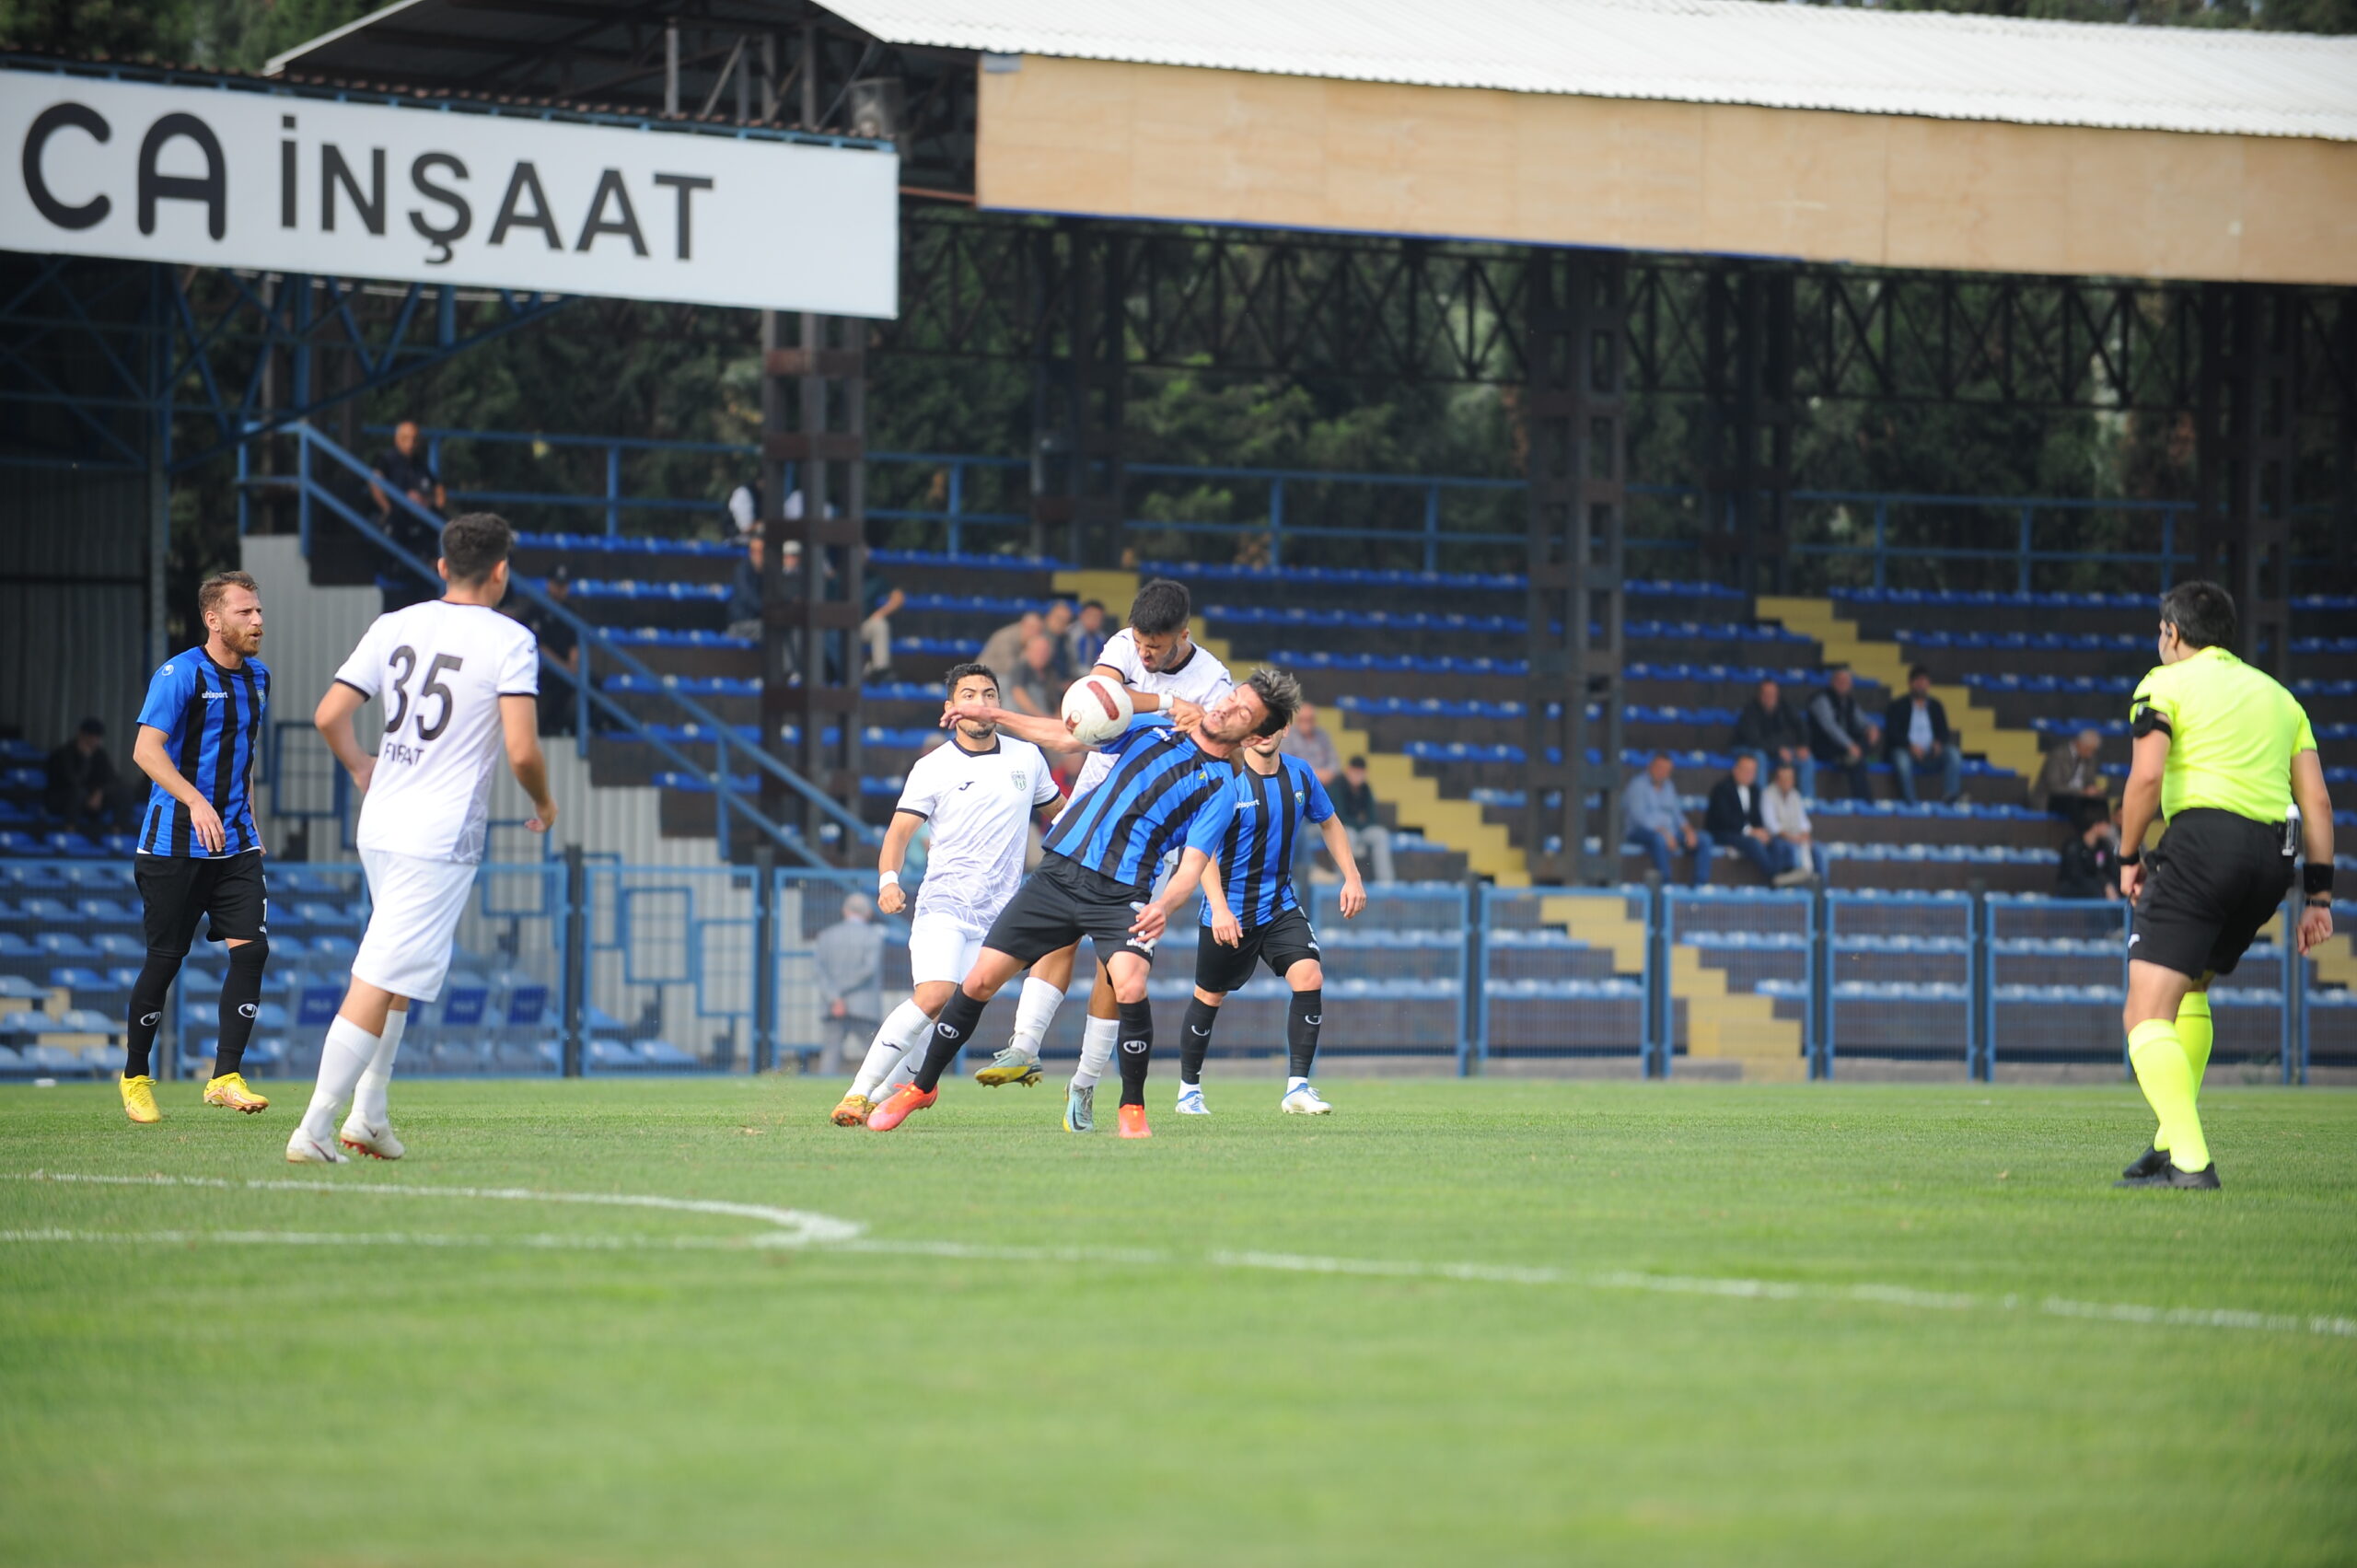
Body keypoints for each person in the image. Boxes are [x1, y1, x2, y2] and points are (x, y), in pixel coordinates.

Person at [863, 666, 1303, 1139]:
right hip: (1060, 874)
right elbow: (1065, 736)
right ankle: (921, 1087)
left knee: (1130, 984)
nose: (1226, 706)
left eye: (1242, 711)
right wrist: (991, 712)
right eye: (1232, 696)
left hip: (1123, 895)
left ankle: (1131, 1107)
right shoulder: (1156, 726)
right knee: (979, 981)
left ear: (1256, 733)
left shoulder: (1222, 788)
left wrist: (1165, 906)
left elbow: (1193, 865)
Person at [291, 513, 558, 1164]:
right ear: (501, 570)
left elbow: (330, 713)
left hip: (382, 822)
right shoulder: (511, 639)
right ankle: (315, 1127)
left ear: (442, 566)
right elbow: (521, 748)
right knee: (380, 972)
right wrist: (545, 802)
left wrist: (359, 762)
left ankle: (369, 1111)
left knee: (398, 969)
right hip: (437, 835)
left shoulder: (395, 624)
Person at [2113, 580, 2334, 1191]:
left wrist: (2128, 855)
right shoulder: (2280, 697)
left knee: (2143, 1012)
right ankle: (2165, 1142)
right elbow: (2315, 800)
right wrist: (2318, 895)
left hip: (2204, 844)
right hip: (2272, 857)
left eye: (2162, 633)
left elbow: (2145, 778)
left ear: (2173, 634)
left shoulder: (2163, 685)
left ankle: (2189, 1158)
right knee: (2192, 988)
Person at [978, 578, 1235, 1097]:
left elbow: (1219, 749)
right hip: (1092, 808)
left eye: (1155, 648)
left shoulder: (1215, 681)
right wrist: (1166, 701)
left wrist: (1195, 715)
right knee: (1060, 929)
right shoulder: (1122, 644)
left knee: (1115, 969)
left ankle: (1086, 1081)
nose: (1144, 653)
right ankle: (1024, 1046)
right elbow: (1095, 697)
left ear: (1182, 636)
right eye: (1139, 644)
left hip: (1152, 833)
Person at [830, 662, 1066, 1127]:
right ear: (951, 708)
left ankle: (899, 1093)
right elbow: (898, 834)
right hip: (945, 903)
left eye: (989, 694)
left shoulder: (1027, 758)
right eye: (969, 694)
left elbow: (1059, 813)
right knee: (935, 994)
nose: (980, 703)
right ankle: (858, 1094)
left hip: (1000, 915)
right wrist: (889, 881)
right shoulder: (932, 766)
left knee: (947, 1011)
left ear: (1000, 704)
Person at [115, 572, 273, 1126]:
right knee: (165, 961)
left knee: (251, 950)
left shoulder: (259, 678)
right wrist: (196, 802)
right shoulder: (179, 673)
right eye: (245, 612)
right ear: (214, 619)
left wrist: (244, 809)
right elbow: (145, 750)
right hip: (172, 845)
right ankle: (135, 1077)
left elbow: (240, 751)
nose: (257, 620)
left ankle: (225, 1076)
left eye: (258, 611)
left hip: (234, 843)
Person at [1181, 717, 1368, 1120]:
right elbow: (1202, 850)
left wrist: (1351, 876)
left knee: (1310, 976)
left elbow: (1330, 822)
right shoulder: (1226, 779)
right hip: (1228, 909)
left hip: (1280, 904)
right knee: (1209, 996)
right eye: (1256, 725)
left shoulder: (1301, 774)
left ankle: (1297, 1088)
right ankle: (1188, 1091)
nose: (1264, 733)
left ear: (1285, 727)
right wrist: (1218, 906)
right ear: (1245, 732)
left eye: (1272, 724)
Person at [369, 420, 447, 614]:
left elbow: (438, 488)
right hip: (399, 520)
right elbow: (375, 483)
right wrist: (388, 508)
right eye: (406, 438)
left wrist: (430, 504)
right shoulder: (386, 460)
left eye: (414, 439)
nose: (411, 443)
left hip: (421, 522)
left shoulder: (420, 463)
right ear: (397, 439)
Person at [1706, 753, 1812, 888]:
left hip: (1747, 833)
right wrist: (1750, 831)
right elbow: (1724, 818)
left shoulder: (1755, 790)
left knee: (1777, 843)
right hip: (1724, 833)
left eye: (1752, 771)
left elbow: (1757, 819)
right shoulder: (1722, 788)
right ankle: (1775, 876)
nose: (1749, 774)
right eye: (1746, 770)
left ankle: (1787, 873)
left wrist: (1761, 832)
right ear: (1736, 769)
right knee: (1753, 843)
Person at [811, 894, 885, 1076]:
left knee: (831, 1052)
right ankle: (879, 1091)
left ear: (845, 911)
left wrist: (835, 997)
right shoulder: (873, 936)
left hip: (832, 1005)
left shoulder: (826, 936)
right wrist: (842, 991)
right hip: (864, 1007)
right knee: (876, 1053)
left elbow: (818, 971)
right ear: (868, 913)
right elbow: (869, 969)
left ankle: (823, 1095)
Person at [1621, 751, 1713, 887]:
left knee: (1704, 839)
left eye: (1666, 770)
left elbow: (1677, 815)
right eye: (1659, 768)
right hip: (1641, 833)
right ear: (1650, 766)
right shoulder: (1637, 785)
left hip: (1671, 834)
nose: (1662, 772)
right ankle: (1666, 884)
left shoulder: (1669, 786)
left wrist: (1688, 831)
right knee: (1658, 840)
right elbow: (1639, 818)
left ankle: (1699, 885)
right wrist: (1664, 833)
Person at [1884, 665, 1963, 805]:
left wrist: (1938, 742)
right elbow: (1892, 733)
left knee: (1953, 754)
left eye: (1924, 681)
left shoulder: (1936, 706)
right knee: (1901, 759)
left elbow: (1944, 731)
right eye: (1918, 681)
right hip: (1907, 751)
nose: (1921, 685)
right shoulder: (1897, 705)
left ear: (1929, 684)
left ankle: (1951, 796)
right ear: (1910, 683)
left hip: (1931, 753)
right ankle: (1911, 802)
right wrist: (1910, 746)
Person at [517, 563, 581, 737]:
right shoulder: (536, 610)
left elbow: (574, 645)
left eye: (564, 585)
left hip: (564, 668)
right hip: (543, 668)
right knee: (559, 683)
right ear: (549, 584)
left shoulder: (570, 612)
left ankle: (582, 727)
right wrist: (564, 667)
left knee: (593, 683)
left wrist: (573, 664)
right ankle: (550, 726)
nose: (560, 589)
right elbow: (539, 646)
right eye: (557, 584)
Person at [1732, 677, 1814, 798]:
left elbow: (1801, 726)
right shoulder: (1750, 711)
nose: (1770, 697)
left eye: (1773, 694)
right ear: (1760, 695)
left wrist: (1803, 744)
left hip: (1776, 750)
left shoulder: (1785, 707)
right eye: (1766, 694)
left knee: (1806, 759)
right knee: (1760, 756)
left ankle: (1808, 801)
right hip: (1747, 748)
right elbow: (1754, 741)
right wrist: (1778, 749)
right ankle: (1761, 799)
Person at [1807, 667, 1880, 800]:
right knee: (1857, 762)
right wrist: (1850, 745)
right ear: (1832, 682)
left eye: (1846, 681)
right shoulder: (1821, 699)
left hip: (1845, 749)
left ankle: (1855, 757)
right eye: (1840, 680)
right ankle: (1865, 801)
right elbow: (1830, 727)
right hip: (1825, 746)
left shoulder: (1849, 701)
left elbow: (1862, 720)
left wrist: (1871, 727)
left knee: (1860, 752)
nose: (1843, 684)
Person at [45, 717, 131, 832]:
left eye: (97, 737)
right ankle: (69, 831)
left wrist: (100, 792)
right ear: (81, 735)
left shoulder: (99, 754)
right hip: (63, 798)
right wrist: (85, 760)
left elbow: (111, 779)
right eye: (90, 736)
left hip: (92, 799)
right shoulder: (64, 754)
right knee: (78, 793)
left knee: (123, 792)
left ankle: (117, 834)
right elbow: (72, 781)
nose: (94, 740)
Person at [1329, 754, 1397, 885]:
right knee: (1349, 834)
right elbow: (1339, 816)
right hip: (1343, 829)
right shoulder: (1337, 785)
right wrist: (1359, 821)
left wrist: (1359, 822)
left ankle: (1386, 884)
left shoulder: (1365, 788)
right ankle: (1345, 881)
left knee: (1380, 834)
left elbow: (1372, 817)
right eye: (1355, 772)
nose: (1358, 776)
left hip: (1361, 830)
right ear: (1348, 770)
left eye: (1361, 773)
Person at [1759, 760, 1827, 882]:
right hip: (1779, 838)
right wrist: (1793, 838)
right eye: (1783, 778)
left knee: (1819, 850)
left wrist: (1805, 835)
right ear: (1777, 779)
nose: (1787, 782)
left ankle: (1820, 885)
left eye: (1790, 778)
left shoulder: (1795, 795)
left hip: (1797, 837)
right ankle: (1787, 883)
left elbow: (1804, 822)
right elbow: (1772, 825)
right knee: (1789, 849)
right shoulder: (1767, 794)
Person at [2031, 728, 2109, 831]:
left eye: (2093, 751)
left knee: (2100, 802)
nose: (2091, 754)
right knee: (2072, 802)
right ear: (2080, 744)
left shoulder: (2090, 758)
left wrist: (2093, 790)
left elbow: (2090, 781)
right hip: (2054, 798)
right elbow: (2054, 787)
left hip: (2079, 796)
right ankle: (2085, 836)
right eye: (2089, 749)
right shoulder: (2058, 756)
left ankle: (2105, 834)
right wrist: (2082, 792)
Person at [2056, 804, 2120, 900]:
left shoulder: (2103, 847)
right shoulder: (2074, 847)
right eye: (2106, 824)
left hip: (2098, 886)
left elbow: (2107, 870)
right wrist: (2103, 885)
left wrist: (2107, 884)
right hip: (2074, 890)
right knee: (2096, 892)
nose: (2108, 827)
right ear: (2096, 826)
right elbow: (2076, 876)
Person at [860, 560, 903, 684]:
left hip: (863, 625)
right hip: (839, 626)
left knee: (879, 624)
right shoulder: (838, 575)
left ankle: (880, 669)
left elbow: (898, 596)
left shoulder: (872, 578)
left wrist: (881, 613)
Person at [978, 610, 1042, 691]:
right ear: (1023, 624)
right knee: (1010, 683)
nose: (1035, 633)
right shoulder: (1005, 638)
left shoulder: (1028, 642)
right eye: (1032, 628)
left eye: (1038, 630)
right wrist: (1027, 656)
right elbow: (1010, 668)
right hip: (986, 676)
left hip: (1004, 676)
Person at [1282, 700, 1341, 787]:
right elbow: (1286, 764)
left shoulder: (1323, 735)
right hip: (1297, 782)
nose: (1307, 723)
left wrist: (1329, 772)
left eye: (1310, 719)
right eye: (1304, 720)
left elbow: (1335, 761)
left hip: (1324, 783)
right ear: (1298, 720)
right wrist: (1312, 774)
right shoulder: (1288, 736)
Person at [1006, 633, 1057, 719]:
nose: (1041, 655)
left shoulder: (1051, 672)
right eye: (1037, 651)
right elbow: (1018, 694)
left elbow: (1056, 701)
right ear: (1028, 651)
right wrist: (1042, 717)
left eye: (1044, 651)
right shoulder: (1021, 669)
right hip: (1021, 719)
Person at [726, 534, 765, 643]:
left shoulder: (767, 573)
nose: (759, 555)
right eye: (754, 551)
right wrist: (769, 611)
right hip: (741, 625)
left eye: (762, 551)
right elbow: (748, 597)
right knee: (771, 630)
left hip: (759, 622)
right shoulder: (742, 571)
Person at [1067, 598, 1109, 673]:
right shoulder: (1070, 634)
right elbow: (1071, 663)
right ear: (1081, 615)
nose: (1093, 620)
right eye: (1089, 616)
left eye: (1097, 617)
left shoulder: (1102, 638)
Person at [1041, 600, 1076, 681]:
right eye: (1059, 619)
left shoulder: (1067, 639)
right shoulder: (1039, 636)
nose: (1061, 623)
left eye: (1066, 621)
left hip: (1066, 683)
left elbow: (1072, 665)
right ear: (1049, 617)